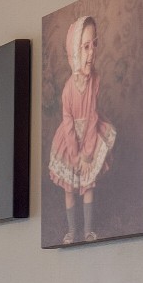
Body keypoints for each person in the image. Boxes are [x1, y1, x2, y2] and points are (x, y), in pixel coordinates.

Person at [47, 15, 116, 243]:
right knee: (69, 189)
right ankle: (72, 230)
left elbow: (93, 116)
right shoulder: (68, 90)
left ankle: (87, 230)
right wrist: (75, 155)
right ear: (75, 53)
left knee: (88, 184)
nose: (91, 52)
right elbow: (68, 124)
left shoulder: (95, 80)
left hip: (89, 135)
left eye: (94, 44)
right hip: (70, 142)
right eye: (85, 47)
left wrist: (87, 154)